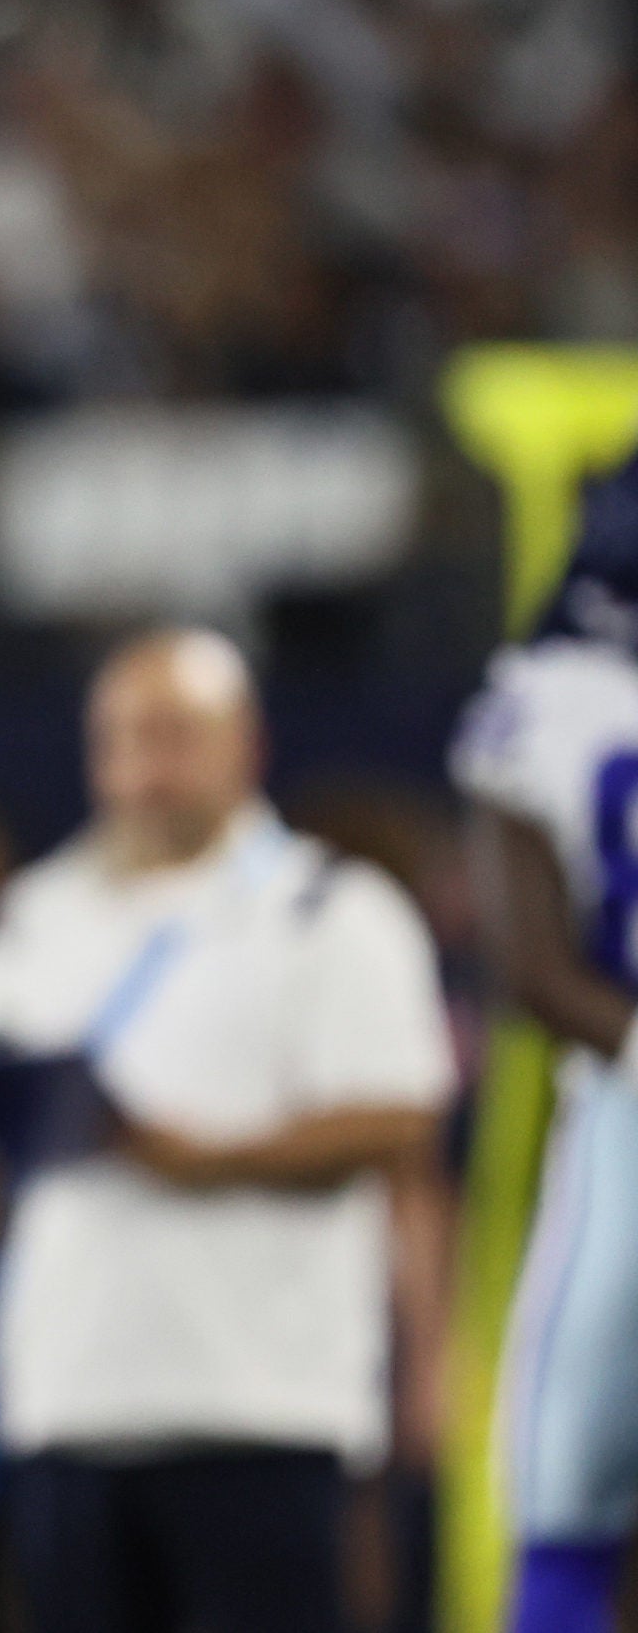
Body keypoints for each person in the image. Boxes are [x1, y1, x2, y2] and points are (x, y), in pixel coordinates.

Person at [0, 628, 454, 1633]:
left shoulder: (330, 910)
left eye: (172, 735)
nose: (142, 765)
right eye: (120, 737)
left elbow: (400, 1116)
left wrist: (200, 1158)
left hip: (260, 1405)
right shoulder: (33, 915)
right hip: (67, 1400)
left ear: (243, 745)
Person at [453, 451, 638, 1633]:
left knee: (570, 1482)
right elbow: (525, 968)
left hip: (626, 1103)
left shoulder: (554, 689)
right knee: (570, 1482)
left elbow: (529, 968)